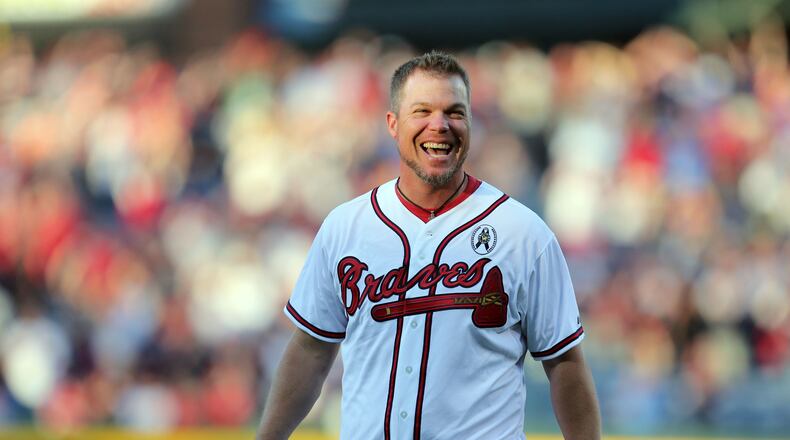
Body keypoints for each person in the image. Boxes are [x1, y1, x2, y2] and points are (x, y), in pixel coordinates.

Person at [256, 50, 601, 440]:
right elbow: (311, 349)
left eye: (455, 112)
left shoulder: (523, 232)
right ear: (392, 123)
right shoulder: (345, 227)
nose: (440, 125)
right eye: (422, 111)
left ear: (471, 123)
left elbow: (564, 361)